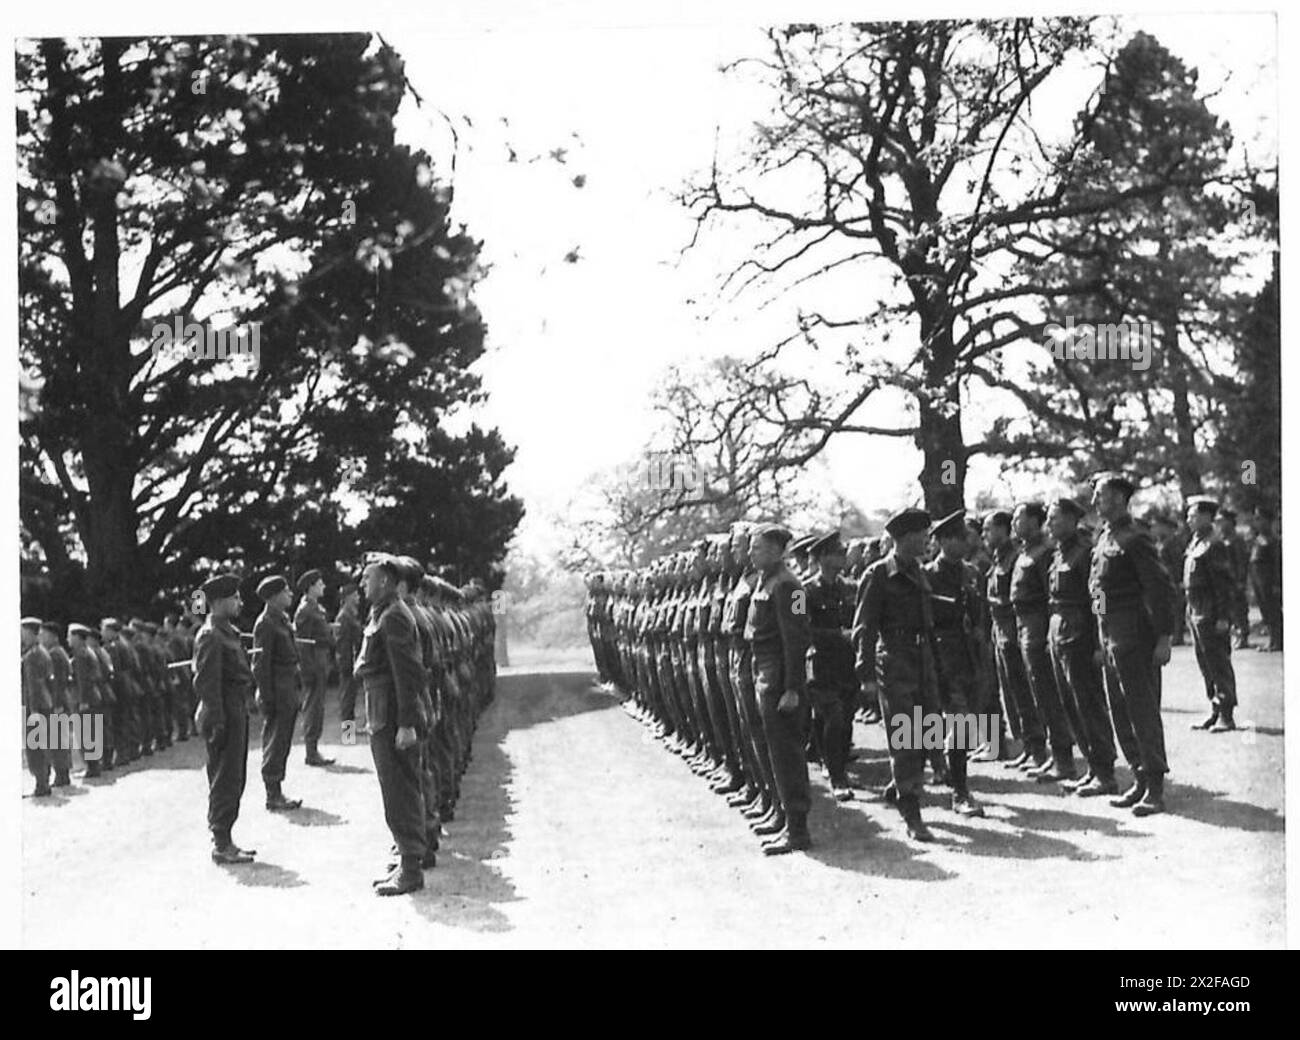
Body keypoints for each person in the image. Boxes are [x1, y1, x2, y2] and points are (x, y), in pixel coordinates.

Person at [1089, 472, 1176, 817]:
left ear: (1121, 498)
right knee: (1120, 712)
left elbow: (1160, 589)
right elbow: (1098, 590)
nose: (1096, 501)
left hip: (1135, 635)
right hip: (1111, 636)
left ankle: (1155, 788)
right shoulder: (1104, 537)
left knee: (1142, 711)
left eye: (1102, 495)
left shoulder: (1136, 537)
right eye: (1096, 495)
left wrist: (1164, 637)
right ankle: (1139, 777)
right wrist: (1100, 633)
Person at [854, 507, 941, 841]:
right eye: (922, 536)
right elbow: (864, 627)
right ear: (903, 539)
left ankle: (902, 789)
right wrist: (866, 674)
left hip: (922, 659)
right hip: (894, 661)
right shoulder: (878, 574)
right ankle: (912, 813)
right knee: (906, 737)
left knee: (928, 730)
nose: (927, 542)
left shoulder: (919, 570)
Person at [356, 553, 429, 895]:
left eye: (367, 578)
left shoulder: (395, 617)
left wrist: (407, 724)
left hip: (390, 717)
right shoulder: (384, 613)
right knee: (394, 789)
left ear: (384, 581)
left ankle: (412, 868)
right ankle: (406, 859)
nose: (362, 584)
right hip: (380, 714)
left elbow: (407, 674)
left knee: (400, 789)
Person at [745, 523, 813, 855]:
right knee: (774, 752)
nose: (750, 553)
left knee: (787, 755)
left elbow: (797, 639)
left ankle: (797, 829)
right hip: (765, 676)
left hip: (780, 682)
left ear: (775, 550)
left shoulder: (790, 586)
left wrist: (793, 688)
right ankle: (785, 818)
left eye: (756, 547)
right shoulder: (766, 581)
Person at [1046, 498, 1116, 796]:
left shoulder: (1085, 553)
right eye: (1049, 519)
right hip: (1059, 630)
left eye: (1055, 519)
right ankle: (1091, 767)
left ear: (1073, 521)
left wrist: (1100, 637)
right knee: (1070, 704)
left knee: (1088, 703)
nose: (1050, 525)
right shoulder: (1058, 553)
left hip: (1080, 632)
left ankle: (1105, 772)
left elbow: (1098, 596)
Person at [192, 573, 258, 863]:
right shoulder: (210, 635)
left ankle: (227, 837)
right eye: (235, 598)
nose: (240, 602)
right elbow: (206, 683)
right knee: (225, 777)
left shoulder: (227, 631)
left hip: (233, 707)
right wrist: (217, 721)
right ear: (219, 602)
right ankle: (221, 842)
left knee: (235, 775)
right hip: (222, 712)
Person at [924, 510, 985, 816]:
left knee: (964, 720)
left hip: (969, 656)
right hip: (941, 656)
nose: (965, 543)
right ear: (944, 541)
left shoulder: (972, 573)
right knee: (954, 721)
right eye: (960, 538)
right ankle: (959, 791)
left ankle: (946, 776)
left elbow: (979, 616)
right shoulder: (928, 576)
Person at [1011, 502, 1077, 782]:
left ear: (1034, 522)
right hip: (1025, 627)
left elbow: (1052, 597)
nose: (1016, 522)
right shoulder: (1025, 552)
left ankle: (1064, 761)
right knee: (1038, 695)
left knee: (1050, 696)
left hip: (1040, 628)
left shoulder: (1045, 553)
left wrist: (1049, 635)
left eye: (1019, 518)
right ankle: (1052, 756)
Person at [804, 531, 858, 801]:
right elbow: (802, 630)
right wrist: (838, 635)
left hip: (847, 664)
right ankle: (838, 777)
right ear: (823, 557)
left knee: (845, 719)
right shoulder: (804, 592)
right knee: (833, 717)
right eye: (838, 552)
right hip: (821, 663)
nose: (843, 556)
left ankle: (833, 762)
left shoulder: (850, 588)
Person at [1184, 496, 1239, 732]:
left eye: (1194, 515)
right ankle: (1214, 710)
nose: (1189, 519)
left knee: (1218, 663)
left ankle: (1227, 714)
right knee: (1205, 663)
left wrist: (1224, 617)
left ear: (1207, 517)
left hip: (1210, 611)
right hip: (1195, 610)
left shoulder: (1215, 544)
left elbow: (1223, 585)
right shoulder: (1196, 542)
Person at [253, 575, 305, 812]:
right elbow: (260, 664)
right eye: (286, 592)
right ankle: (272, 793)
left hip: (288, 684)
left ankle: (277, 790)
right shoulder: (265, 623)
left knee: (282, 739)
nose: (290, 595)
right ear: (274, 597)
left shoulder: (281, 619)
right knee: (276, 739)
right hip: (277, 687)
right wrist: (266, 695)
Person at [294, 569, 336, 766]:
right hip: (313, 660)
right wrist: (307, 669)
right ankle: (311, 751)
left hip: (322, 658)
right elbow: (302, 643)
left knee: (318, 706)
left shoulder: (315, 608)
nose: (324, 587)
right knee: (313, 706)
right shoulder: (305, 610)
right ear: (310, 587)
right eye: (320, 584)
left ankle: (315, 749)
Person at [38, 621, 74, 787]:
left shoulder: (54, 654)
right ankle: (62, 773)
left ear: (53, 636)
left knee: (58, 740)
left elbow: (58, 683)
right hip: (61, 701)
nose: (40, 637)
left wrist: (57, 704)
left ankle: (62, 774)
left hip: (58, 702)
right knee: (60, 739)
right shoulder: (59, 652)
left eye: (43, 634)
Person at [68, 623, 106, 778]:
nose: (68, 639)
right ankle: (93, 766)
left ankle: (92, 767)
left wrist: (83, 700)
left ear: (77, 637)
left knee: (85, 734)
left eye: (70, 636)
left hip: (86, 698)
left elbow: (84, 680)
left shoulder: (81, 654)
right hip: (92, 697)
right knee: (90, 732)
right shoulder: (87, 651)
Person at [22, 617, 54, 797]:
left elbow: (34, 685)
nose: (22, 636)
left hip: (36, 706)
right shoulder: (41, 651)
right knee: (43, 744)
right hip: (45, 703)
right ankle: (44, 781)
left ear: (30, 632)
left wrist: (33, 709)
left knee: (35, 747)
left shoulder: (33, 655)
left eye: (23, 632)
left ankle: (41, 784)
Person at [1215, 509, 1252, 649]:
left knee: (1240, 609)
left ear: (1230, 522)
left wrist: (1241, 581)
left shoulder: (1237, 540)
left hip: (1235, 580)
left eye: (1222, 521)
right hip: (1226, 581)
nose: (1219, 524)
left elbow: (1241, 562)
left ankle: (1243, 636)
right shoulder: (1222, 539)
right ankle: (1236, 635)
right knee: (1231, 610)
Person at [1249, 506, 1282, 652]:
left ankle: (1278, 640)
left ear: (1268, 521)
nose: (1257, 522)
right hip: (1259, 580)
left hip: (1269, 581)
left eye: (1260, 519)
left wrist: (1276, 583)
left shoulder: (1273, 540)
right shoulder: (1258, 539)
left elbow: (1276, 564)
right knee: (1265, 612)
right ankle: (1272, 639)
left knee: (1273, 611)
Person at [335, 582, 365, 736]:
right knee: (347, 699)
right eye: (355, 595)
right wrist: (347, 664)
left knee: (351, 697)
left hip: (351, 661)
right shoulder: (344, 616)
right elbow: (343, 643)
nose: (358, 597)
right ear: (347, 597)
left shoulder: (351, 614)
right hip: (347, 662)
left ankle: (350, 730)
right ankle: (348, 734)